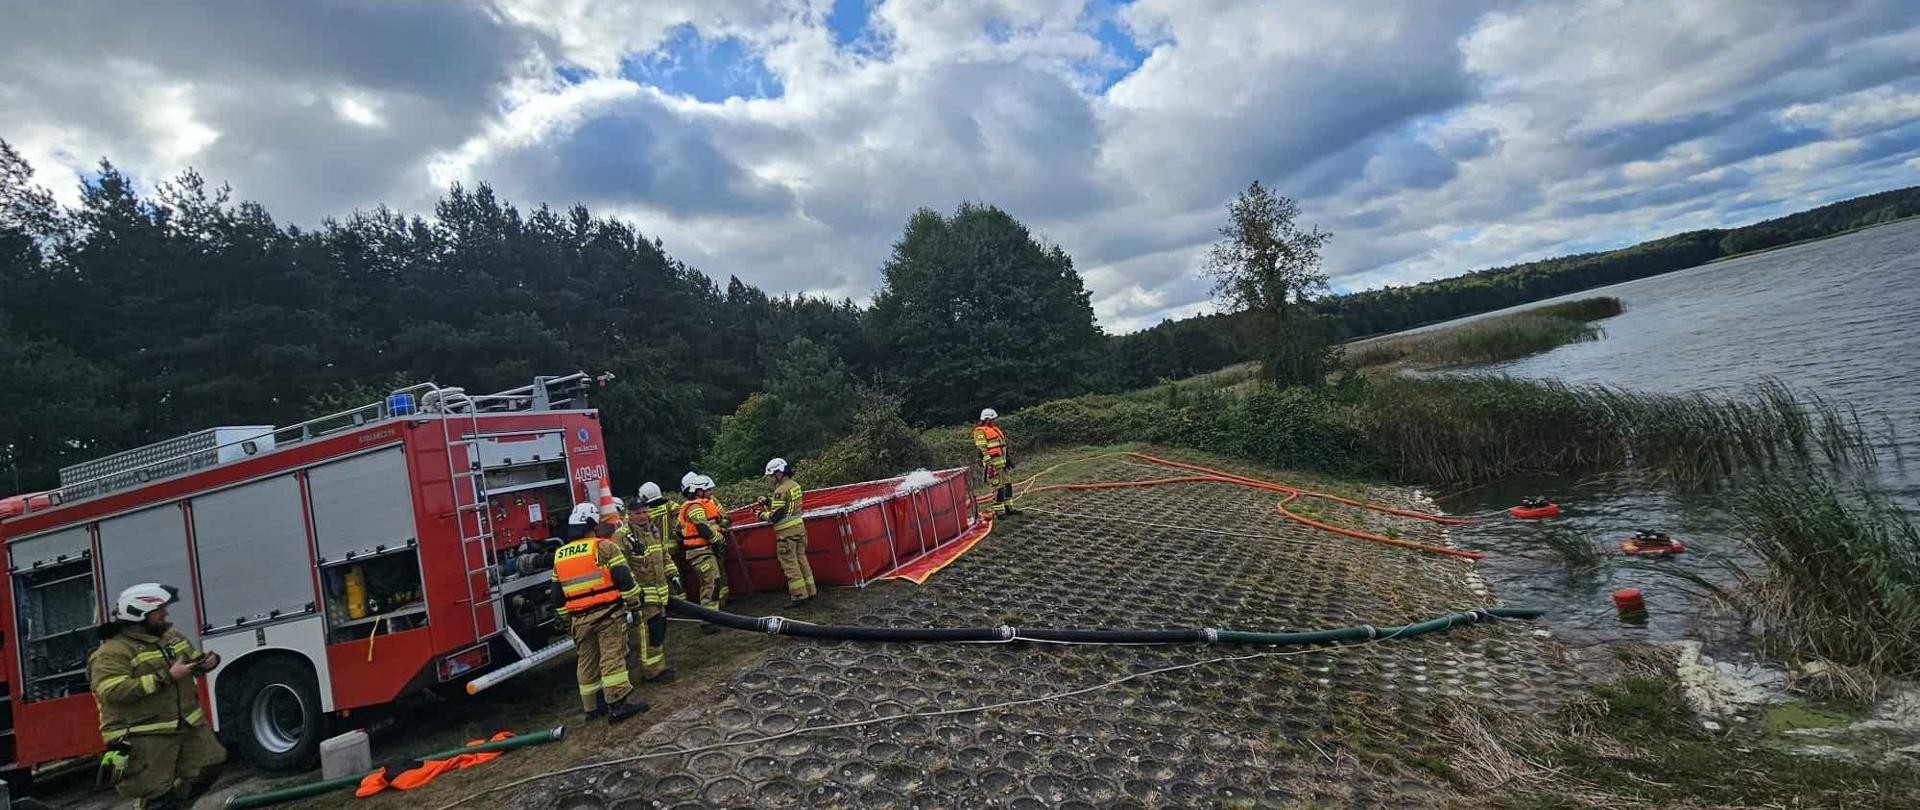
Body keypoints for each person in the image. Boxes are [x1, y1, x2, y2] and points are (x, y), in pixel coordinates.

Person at [87, 583, 228, 810]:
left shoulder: (171, 637)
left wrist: (204, 663)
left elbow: (189, 661)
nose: (165, 613)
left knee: (211, 763)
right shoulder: (111, 653)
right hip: (144, 734)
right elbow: (112, 692)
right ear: (138, 613)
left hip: (186, 725)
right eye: (159, 609)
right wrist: (167, 677)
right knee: (157, 795)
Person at [550, 510, 649, 721]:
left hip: (579, 619)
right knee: (612, 655)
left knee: (586, 661)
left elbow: (557, 595)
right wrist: (634, 604)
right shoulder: (603, 546)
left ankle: (592, 708)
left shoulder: (560, 555)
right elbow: (624, 579)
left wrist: (569, 619)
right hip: (607, 614)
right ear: (592, 525)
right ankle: (617, 704)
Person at [618, 485, 679, 682]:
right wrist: (633, 593)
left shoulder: (652, 530)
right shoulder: (623, 536)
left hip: (660, 592)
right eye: (639, 513)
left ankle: (658, 667)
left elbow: (664, 554)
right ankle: (652, 672)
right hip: (643, 595)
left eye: (645, 511)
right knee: (649, 631)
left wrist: (673, 574)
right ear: (629, 514)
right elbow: (622, 569)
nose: (644, 516)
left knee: (659, 629)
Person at [758, 458, 818, 605]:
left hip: (786, 535)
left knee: (790, 565)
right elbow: (788, 507)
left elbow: (776, 517)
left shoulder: (780, 490)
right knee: (802, 560)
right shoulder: (795, 486)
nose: (770, 479)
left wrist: (761, 515)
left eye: (771, 476)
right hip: (800, 531)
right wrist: (768, 502)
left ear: (779, 473)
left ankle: (798, 595)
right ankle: (811, 591)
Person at [677, 472, 728, 620]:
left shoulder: (704, 504)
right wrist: (718, 539)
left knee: (713, 581)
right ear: (699, 491)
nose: (711, 493)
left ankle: (713, 615)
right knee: (710, 582)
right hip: (699, 551)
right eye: (708, 490)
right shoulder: (695, 507)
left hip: (705, 550)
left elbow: (718, 520)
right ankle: (708, 619)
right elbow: (703, 528)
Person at [973, 407, 1018, 516]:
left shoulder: (994, 430)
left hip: (1002, 463)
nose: (994, 421)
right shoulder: (980, 432)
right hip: (993, 465)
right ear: (987, 419)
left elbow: (1002, 446)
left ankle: (1009, 508)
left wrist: (1007, 460)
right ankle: (1000, 512)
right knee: (998, 488)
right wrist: (989, 465)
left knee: (1007, 485)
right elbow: (982, 449)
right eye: (992, 419)